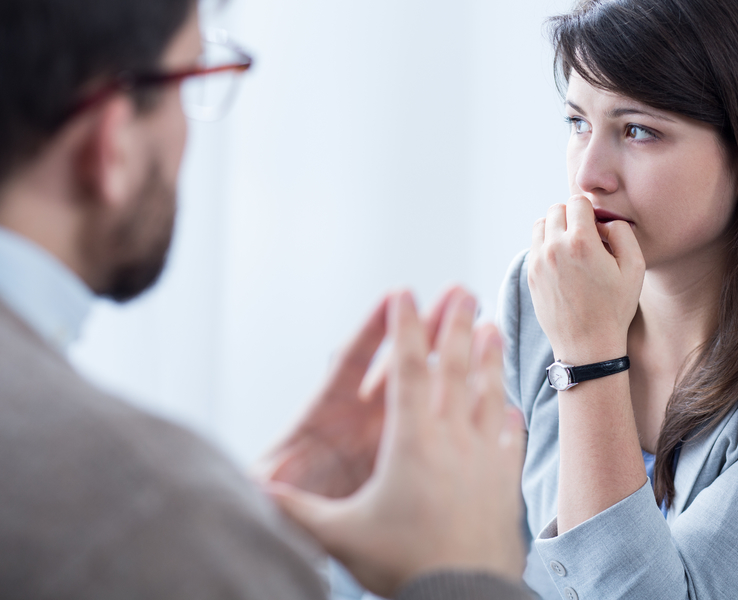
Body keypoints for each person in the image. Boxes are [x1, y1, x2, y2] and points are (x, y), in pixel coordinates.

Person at [0, 0, 536, 598]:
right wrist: (465, 574)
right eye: (193, 78)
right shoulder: (141, 508)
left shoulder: (147, 510)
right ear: (113, 141)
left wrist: (244, 523)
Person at [499, 0, 738, 598]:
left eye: (639, 130)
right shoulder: (540, 294)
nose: (589, 175)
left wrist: (589, 356)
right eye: (578, 123)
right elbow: (494, 562)